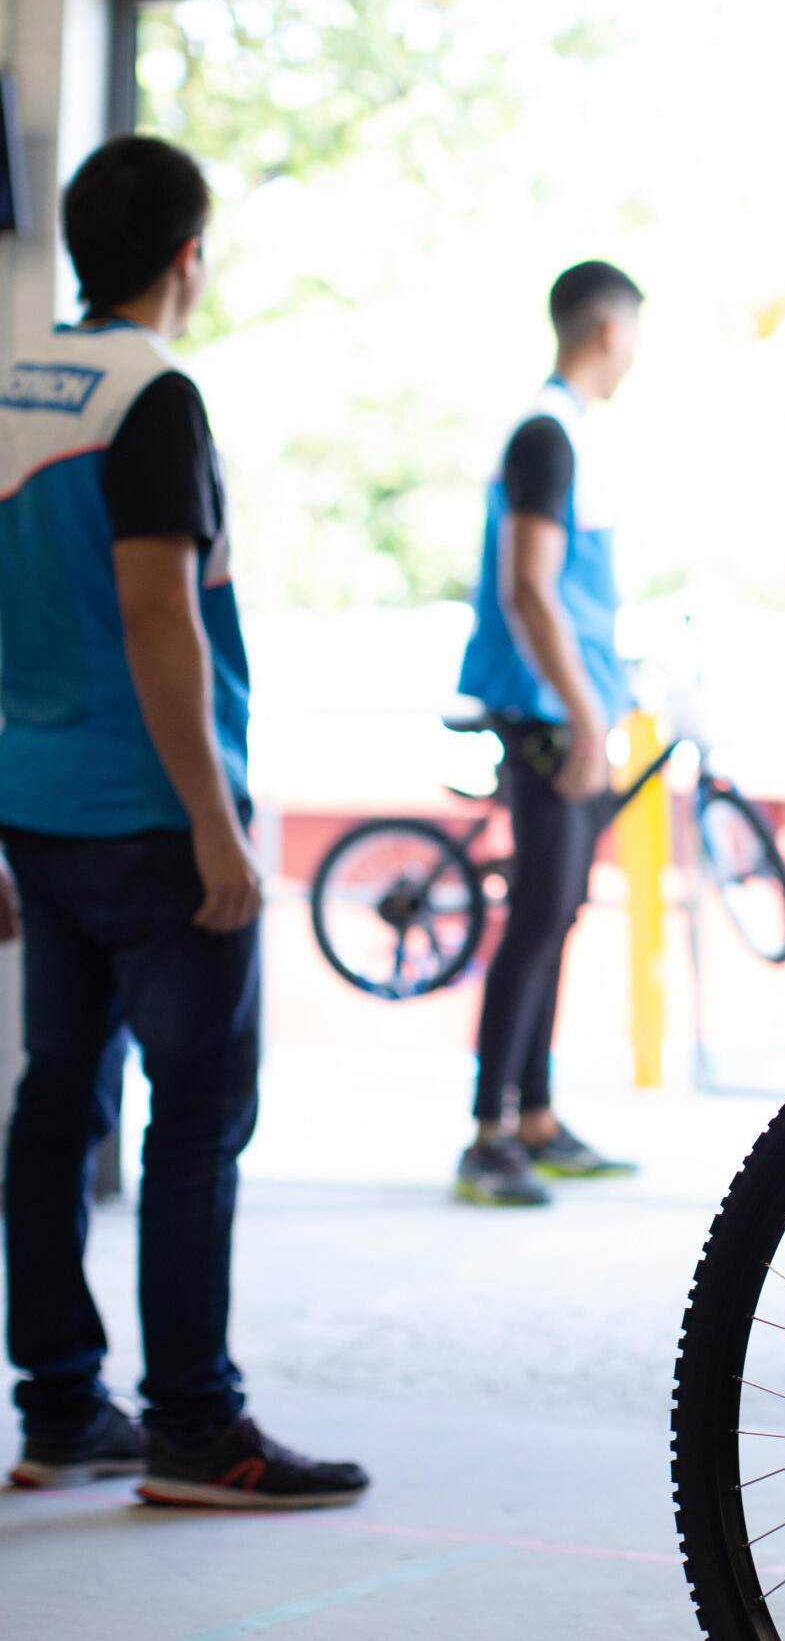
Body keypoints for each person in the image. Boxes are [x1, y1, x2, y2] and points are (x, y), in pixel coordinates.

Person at [0, 136, 368, 1507]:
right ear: (186, 257)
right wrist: (217, 825)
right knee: (198, 1114)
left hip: (34, 812)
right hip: (156, 825)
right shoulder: (154, 398)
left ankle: (59, 1410)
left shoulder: (14, 389)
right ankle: (197, 1429)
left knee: (56, 1101)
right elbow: (160, 611)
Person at [454, 261, 645, 1207]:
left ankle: (533, 1115)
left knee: (555, 910)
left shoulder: (566, 434)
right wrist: (583, 712)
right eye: (635, 335)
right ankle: (488, 1133)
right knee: (537, 914)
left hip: (566, 703)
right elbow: (528, 586)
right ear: (609, 331)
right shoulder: (547, 432)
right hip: (543, 711)